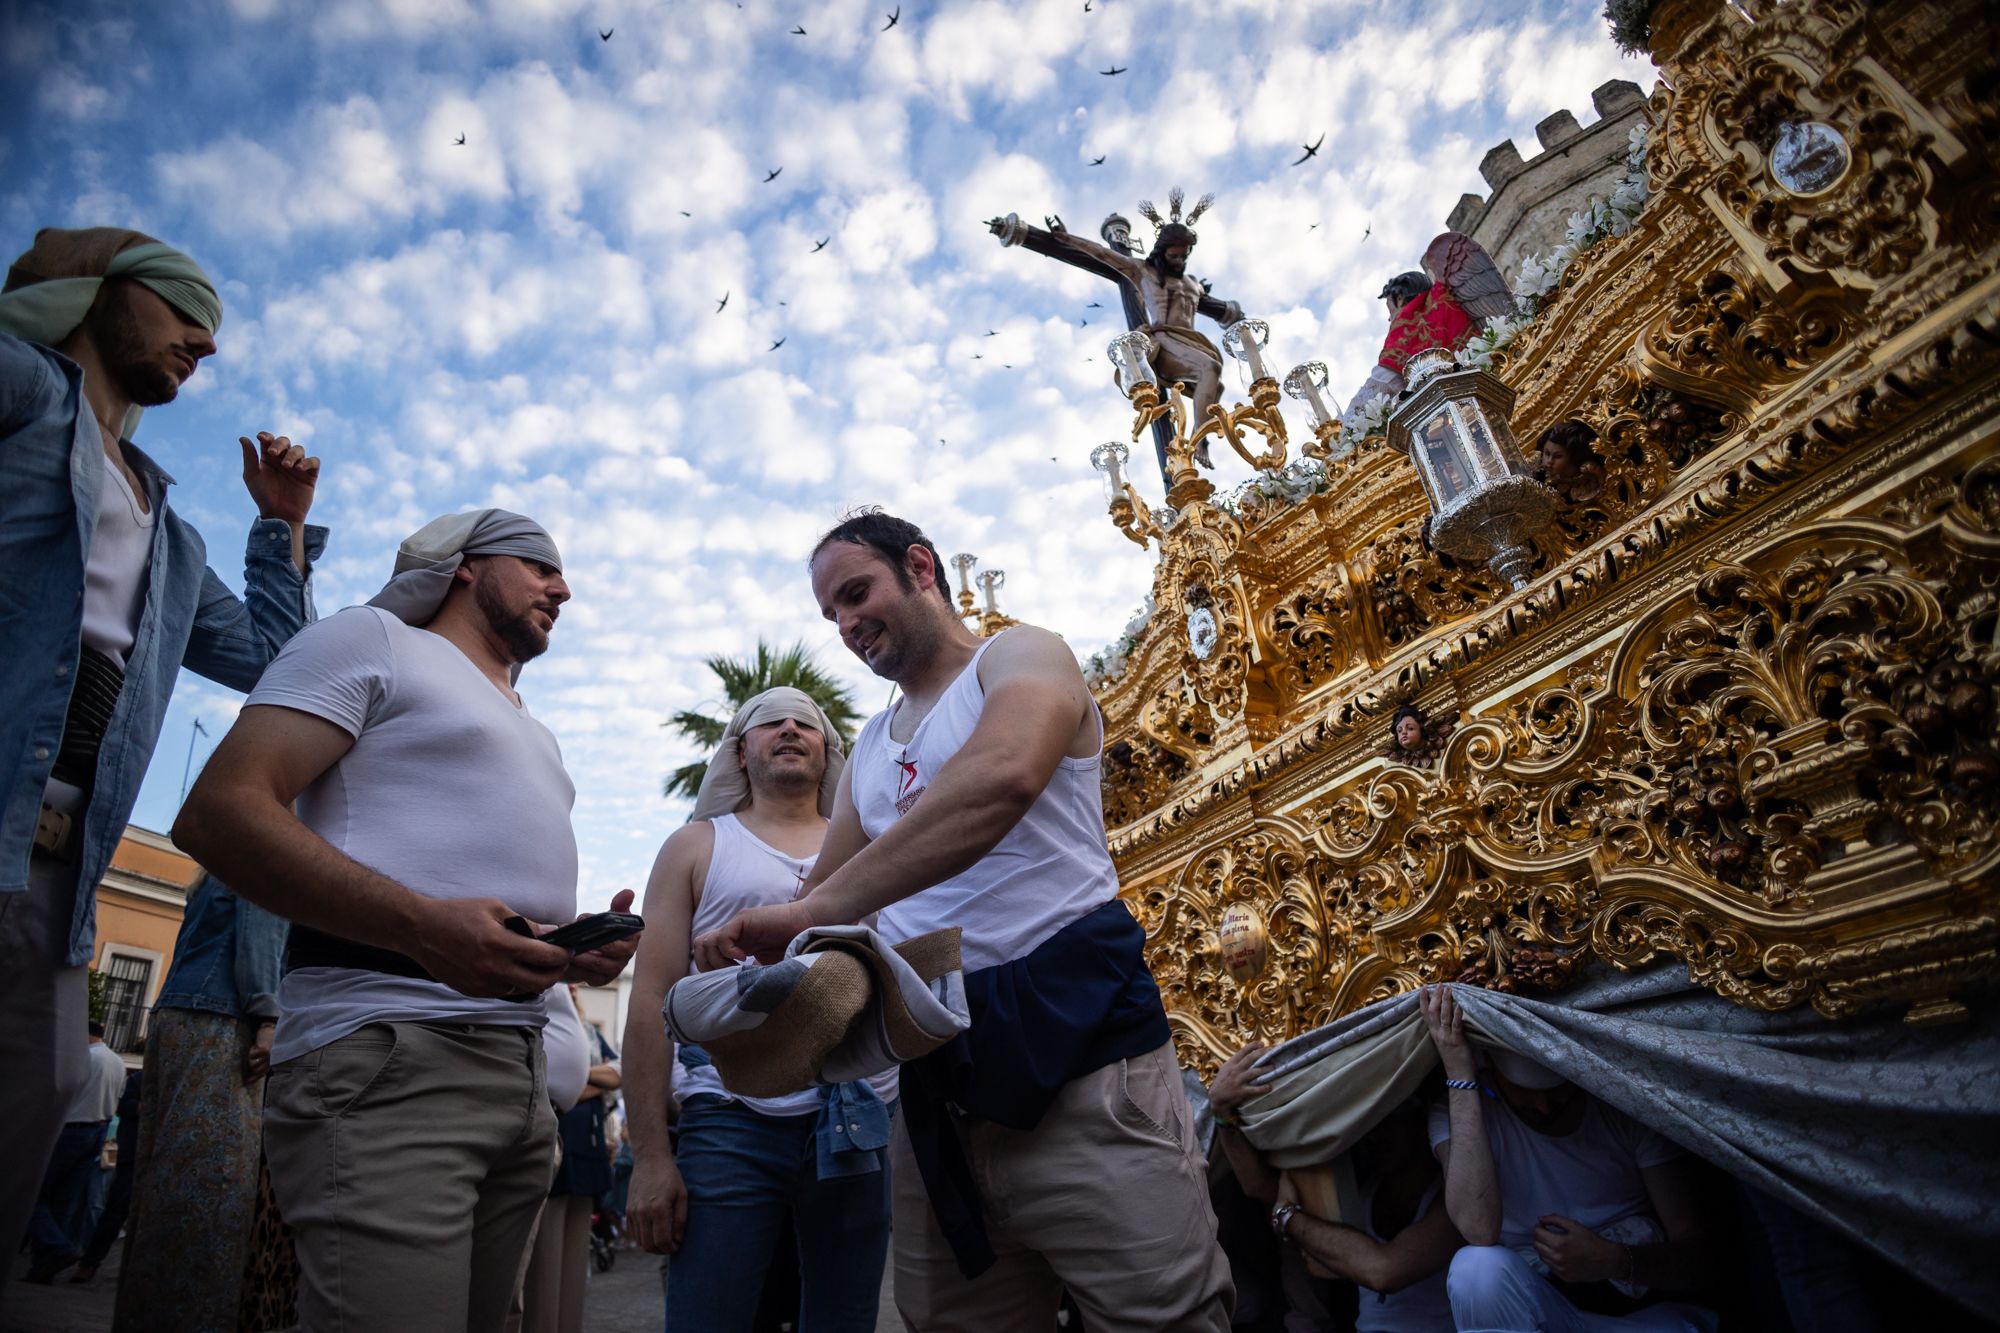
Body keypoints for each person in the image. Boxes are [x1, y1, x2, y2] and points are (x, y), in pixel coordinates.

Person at [694, 510, 1233, 1331]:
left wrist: (812, 908)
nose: (845, 624)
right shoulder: (871, 743)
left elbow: (1003, 777)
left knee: (1160, 1314)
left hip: (1078, 1042)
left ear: (918, 566)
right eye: (829, 613)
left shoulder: (1019, 656)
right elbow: (825, 886)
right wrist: (744, 934)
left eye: (855, 592)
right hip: (937, 1066)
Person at [170, 509, 640, 1332]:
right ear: (462, 565)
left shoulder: (535, 727)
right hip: (389, 1060)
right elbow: (219, 813)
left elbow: (465, 907)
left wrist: (568, 956)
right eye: (537, 564)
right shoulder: (372, 640)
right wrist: (425, 928)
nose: (562, 587)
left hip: (522, 1079)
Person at [0, 225, 324, 1284]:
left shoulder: (173, 536)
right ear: (100, 292)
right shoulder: (20, 391)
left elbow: (281, 666)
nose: (208, 344)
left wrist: (276, 532)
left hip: (62, 865)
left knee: (38, 1095)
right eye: (186, 308)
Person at [625, 687, 899, 1332]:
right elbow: (649, 996)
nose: (789, 728)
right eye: (769, 721)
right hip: (728, 1115)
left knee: (844, 1317)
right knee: (708, 1315)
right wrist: (651, 1157)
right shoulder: (694, 845)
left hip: (857, 1114)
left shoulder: (872, 850)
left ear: (829, 752)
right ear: (740, 752)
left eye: (806, 723)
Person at [1418, 987, 1717, 1333]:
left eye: (1557, 1091)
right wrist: (1460, 1072)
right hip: (1546, 1313)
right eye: (1527, 1095)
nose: (1544, 1107)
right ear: (1493, 1074)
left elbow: (1702, 1258)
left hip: (1642, 1317)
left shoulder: (1620, 1109)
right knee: (1476, 1266)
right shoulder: (1460, 1109)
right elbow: (1478, 1229)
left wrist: (1614, 1260)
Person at [109, 872, 288, 1330]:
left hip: (178, 1018)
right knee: (212, 1189)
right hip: (221, 1023)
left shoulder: (211, 870)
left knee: (162, 1186)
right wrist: (268, 1018)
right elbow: (261, 933)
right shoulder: (261, 850)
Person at [1210, 1042, 1459, 1333]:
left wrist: (1290, 1219)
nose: (1375, 1135)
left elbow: (1385, 1272)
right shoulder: (1364, 1186)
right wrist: (1221, 1112)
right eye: (1369, 1124)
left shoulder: (1452, 1201)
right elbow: (1258, 1186)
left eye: (1391, 1121)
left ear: (1420, 1122)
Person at [515, 983, 621, 1333]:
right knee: (544, 1273)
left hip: (585, 1150)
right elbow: (545, 1074)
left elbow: (618, 1074)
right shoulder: (538, 1016)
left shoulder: (589, 1031)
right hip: (556, 1141)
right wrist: (590, 1079)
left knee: (573, 1269)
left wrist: (578, 1078)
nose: (573, 989)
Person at [24, 1021, 129, 1282]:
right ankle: (46, 1264)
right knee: (65, 1200)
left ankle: (57, 1249)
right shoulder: (117, 1062)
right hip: (98, 1130)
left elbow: (61, 1091)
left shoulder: (85, 1058)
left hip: (71, 1129)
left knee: (33, 1194)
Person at [71, 1059, 142, 1285]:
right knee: (113, 1211)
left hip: (157, 1158)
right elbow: (123, 1107)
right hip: (133, 1157)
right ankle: (89, 1263)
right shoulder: (140, 1080)